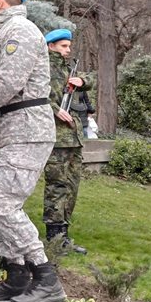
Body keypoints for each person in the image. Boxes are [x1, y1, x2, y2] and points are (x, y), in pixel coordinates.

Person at [0, 0, 64, 302]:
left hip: (26, 129)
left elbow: (7, 82)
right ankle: (16, 274)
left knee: (4, 206)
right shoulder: (6, 32)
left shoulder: (21, 31)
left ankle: (45, 277)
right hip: (10, 129)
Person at [42, 29, 92, 255]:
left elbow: (91, 79)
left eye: (69, 46)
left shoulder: (67, 68)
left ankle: (64, 237)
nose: (68, 49)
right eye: (63, 46)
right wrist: (55, 110)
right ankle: (54, 238)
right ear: (51, 46)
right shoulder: (43, 67)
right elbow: (37, 96)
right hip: (56, 139)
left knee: (71, 187)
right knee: (56, 188)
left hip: (73, 138)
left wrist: (81, 80)